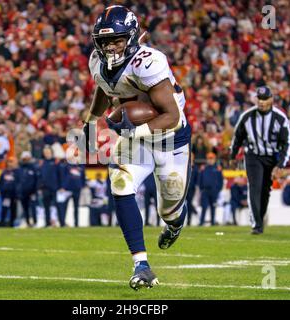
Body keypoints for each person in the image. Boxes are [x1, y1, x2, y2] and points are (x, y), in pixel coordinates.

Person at [82, 5, 192, 290]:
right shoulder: (97, 61)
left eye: (117, 40)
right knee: (120, 183)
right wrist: (92, 120)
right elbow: (105, 87)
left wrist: (133, 130)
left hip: (170, 138)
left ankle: (174, 224)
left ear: (131, 37)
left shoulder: (149, 61)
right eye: (105, 41)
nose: (111, 46)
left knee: (170, 209)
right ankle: (141, 265)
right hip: (136, 139)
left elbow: (172, 117)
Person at [230, 86, 290, 234]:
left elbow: (287, 142)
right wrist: (232, 155)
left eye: (265, 99)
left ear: (271, 99)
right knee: (254, 187)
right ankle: (256, 224)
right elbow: (237, 137)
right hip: (253, 156)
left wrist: (281, 164)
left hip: (271, 157)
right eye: (260, 99)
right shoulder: (247, 117)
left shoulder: (280, 118)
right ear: (255, 99)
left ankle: (260, 218)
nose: (262, 102)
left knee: (265, 191)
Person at [57, 156, 86, 227]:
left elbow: (83, 177)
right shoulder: (66, 166)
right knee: (64, 206)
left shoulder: (81, 167)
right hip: (67, 189)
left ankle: (76, 223)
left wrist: (82, 186)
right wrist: (63, 187)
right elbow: (63, 177)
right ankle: (63, 223)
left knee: (76, 207)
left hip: (77, 189)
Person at [198, 153, 223, 226]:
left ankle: (212, 222)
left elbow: (221, 180)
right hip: (205, 191)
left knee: (213, 207)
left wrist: (218, 189)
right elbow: (200, 179)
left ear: (214, 159)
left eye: (212, 158)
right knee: (204, 207)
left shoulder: (218, 168)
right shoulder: (204, 168)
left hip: (214, 191)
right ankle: (201, 222)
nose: (210, 160)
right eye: (209, 158)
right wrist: (201, 189)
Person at [17, 151, 39, 227]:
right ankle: (27, 222)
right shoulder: (19, 169)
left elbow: (37, 180)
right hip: (23, 192)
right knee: (25, 208)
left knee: (33, 207)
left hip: (32, 192)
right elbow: (18, 181)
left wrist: (35, 190)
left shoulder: (34, 168)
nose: (26, 159)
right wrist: (19, 191)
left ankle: (35, 222)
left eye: (27, 158)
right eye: (24, 158)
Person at [38, 146, 59, 227]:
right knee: (46, 206)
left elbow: (59, 175)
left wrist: (59, 186)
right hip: (45, 187)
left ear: (51, 152)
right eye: (45, 152)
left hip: (54, 187)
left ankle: (56, 221)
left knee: (55, 205)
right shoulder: (42, 163)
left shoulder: (56, 162)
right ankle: (47, 222)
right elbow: (40, 176)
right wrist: (40, 186)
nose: (47, 154)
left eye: (48, 152)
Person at [0, 156, 20, 227]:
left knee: (13, 211)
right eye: (9, 162)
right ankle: (2, 224)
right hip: (6, 195)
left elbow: (19, 183)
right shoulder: (4, 172)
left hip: (14, 195)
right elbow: (0, 183)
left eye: (12, 162)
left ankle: (12, 224)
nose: (10, 164)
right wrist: (1, 192)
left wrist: (17, 194)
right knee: (4, 210)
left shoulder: (17, 172)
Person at [186, 161, 199, 226]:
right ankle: (194, 212)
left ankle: (189, 220)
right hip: (184, 188)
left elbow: (197, 178)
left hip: (191, 188)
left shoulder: (195, 168)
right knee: (184, 204)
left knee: (189, 203)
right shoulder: (184, 166)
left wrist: (195, 186)